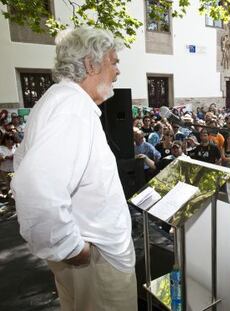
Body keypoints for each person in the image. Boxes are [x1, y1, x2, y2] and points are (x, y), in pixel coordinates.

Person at [11, 27, 137, 310]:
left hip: (90, 258)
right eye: (113, 61)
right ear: (91, 64)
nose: (118, 71)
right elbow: (35, 188)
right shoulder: (72, 108)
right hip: (95, 263)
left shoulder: (57, 100)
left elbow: (21, 168)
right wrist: (71, 248)